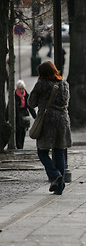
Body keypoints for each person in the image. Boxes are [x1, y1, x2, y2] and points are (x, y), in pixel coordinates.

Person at [28, 61, 71, 195]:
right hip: (63, 121)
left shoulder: (41, 84)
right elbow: (67, 101)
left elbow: (31, 102)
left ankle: (54, 174)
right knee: (59, 152)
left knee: (42, 152)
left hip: (47, 121)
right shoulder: (64, 84)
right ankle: (59, 187)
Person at [12, 80, 36, 149]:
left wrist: (35, 116)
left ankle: (21, 146)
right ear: (17, 89)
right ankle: (18, 145)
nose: (21, 90)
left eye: (22, 89)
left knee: (23, 131)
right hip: (17, 115)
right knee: (17, 131)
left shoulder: (26, 96)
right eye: (20, 89)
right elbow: (9, 107)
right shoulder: (14, 96)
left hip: (24, 115)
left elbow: (30, 107)